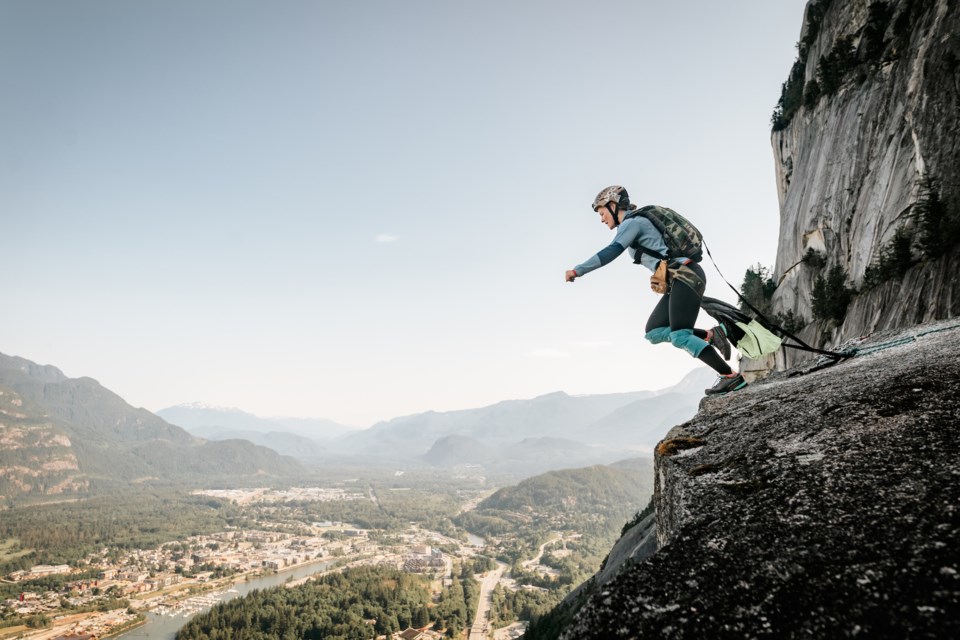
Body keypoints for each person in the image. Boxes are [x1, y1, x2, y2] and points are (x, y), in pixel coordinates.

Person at [565, 185, 746, 396]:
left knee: (680, 336)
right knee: (653, 332)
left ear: (613, 205)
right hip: (680, 278)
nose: (602, 219)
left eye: (603, 213)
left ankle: (731, 377)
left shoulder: (632, 223)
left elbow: (612, 251)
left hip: (686, 275)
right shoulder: (635, 223)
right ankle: (711, 334)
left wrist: (578, 270)